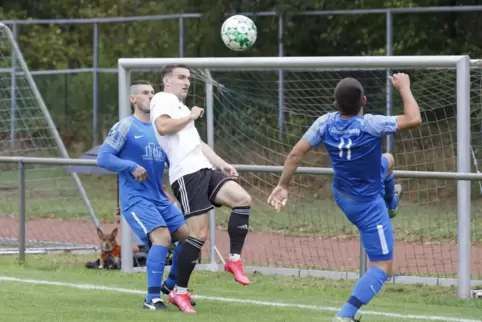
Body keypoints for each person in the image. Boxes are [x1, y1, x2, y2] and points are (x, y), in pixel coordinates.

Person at [267, 73, 420, 322]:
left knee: (388, 160)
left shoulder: (325, 123)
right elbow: (414, 119)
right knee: (382, 267)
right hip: (368, 206)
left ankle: (391, 203)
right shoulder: (372, 124)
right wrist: (404, 88)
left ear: (336, 105)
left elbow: (296, 154)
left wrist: (283, 185)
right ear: (365, 101)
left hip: (342, 194)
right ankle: (345, 316)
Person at [149, 64, 253, 313]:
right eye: (181, 77)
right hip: (186, 175)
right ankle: (179, 292)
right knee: (199, 235)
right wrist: (191, 116)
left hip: (204, 168)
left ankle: (234, 260)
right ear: (167, 81)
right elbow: (163, 127)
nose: (186, 82)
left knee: (242, 199)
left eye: (188, 78)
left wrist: (223, 164)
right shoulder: (162, 99)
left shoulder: (181, 108)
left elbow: (198, 144)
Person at [97, 80, 194, 311]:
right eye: (145, 93)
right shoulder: (125, 127)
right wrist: (130, 166)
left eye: (152, 92)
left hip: (159, 197)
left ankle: (170, 287)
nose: (151, 96)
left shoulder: (161, 129)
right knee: (162, 237)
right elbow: (103, 157)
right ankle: (151, 299)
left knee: (191, 240)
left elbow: (174, 161)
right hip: (135, 199)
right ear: (133, 99)